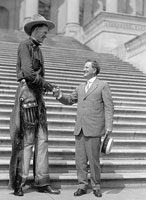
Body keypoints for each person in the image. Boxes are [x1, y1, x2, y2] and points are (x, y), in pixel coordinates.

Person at [9, 14, 60, 196]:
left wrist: (45, 87)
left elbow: (36, 76)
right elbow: (29, 74)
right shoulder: (25, 45)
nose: (45, 36)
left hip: (37, 97)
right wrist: (48, 85)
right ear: (36, 30)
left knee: (42, 140)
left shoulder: (38, 49)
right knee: (27, 141)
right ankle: (19, 183)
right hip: (28, 96)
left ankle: (42, 181)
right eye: (44, 33)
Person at [53, 59, 114, 197]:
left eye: (86, 67)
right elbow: (69, 100)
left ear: (94, 70)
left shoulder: (103, 85)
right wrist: (59, 95)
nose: (83, 69)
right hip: (80, 129)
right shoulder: (80, 87)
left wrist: (108, 126)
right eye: (83, 67)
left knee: (93, 160)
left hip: (94, 129)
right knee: (80, 160)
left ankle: (96, 186)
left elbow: (109, 107)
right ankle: (82, 185)